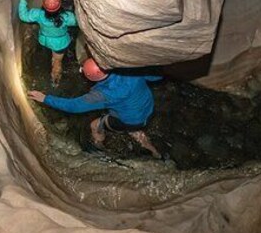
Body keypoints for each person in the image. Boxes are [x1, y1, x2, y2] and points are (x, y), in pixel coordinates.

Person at [28, 58, 163, 159]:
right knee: (137, 130)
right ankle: (156, 153)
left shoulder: (102, 95)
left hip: (130, 120)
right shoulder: (130, 69)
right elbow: (155, 76)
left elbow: (74, 106)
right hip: (147, 108)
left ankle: (100, 149)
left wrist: (45, 98)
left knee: (95, 125)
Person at [18, 0, 77, 85]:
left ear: (44, 4)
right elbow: (79, 22)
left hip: (45, 41)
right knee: (57, 62)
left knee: (49, 53)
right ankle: (55, 81)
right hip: (60, 44)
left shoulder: (39, 15)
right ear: (60, 4)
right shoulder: (66, 17)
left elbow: (24, 16)